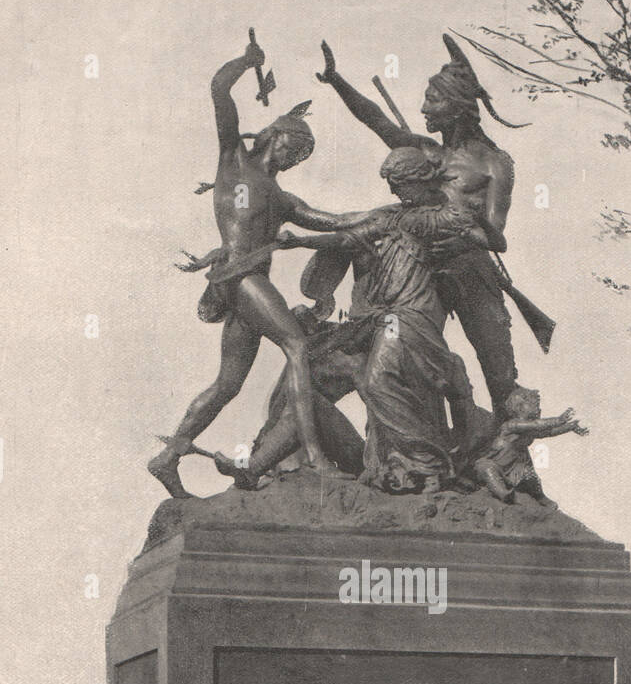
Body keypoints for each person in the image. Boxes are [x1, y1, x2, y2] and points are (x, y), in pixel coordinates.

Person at [148, 35, 376, 498]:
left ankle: (168, 457)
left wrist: (387, 214)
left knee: (227, 384)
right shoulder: (232, 161)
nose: (295, 159)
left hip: (245, 287)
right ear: (275, 135)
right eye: (295, 148)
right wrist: (246, 61)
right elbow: (219, 89)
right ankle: (313, 457)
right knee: (296, 345)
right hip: (240, 276)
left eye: (302, 156)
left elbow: (334, 221)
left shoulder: (284, 198)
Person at [212, 145, 503, 494]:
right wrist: (301, 240)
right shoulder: (389, 217)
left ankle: (426, 462)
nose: (393, 191)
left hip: (408, 317)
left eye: (398, 183)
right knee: (309, 389)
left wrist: (476, 215)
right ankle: (254, 467)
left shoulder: (435, 219)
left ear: (418, 181)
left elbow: (494, 242)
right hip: (374, 322)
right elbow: (346, 235)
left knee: (379, 382)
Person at [316, 34, 542, 421]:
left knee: (498, 367)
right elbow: (376, 120)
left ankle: (513, 457)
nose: (423, 108)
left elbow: (496, 235)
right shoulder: (425, 150)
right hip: (418, 273)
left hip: (469, 270)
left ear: (456, 108)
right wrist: (337, 81)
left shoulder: (495, 163)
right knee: (402, 358)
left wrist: (454, 231)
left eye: (433, 100)